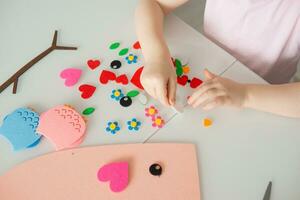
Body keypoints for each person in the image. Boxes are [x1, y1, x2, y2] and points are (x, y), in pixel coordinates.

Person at [135, 0, 300, 118]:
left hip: (267, 99)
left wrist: (245, 95)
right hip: (208, 73)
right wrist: (157, 58)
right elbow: (154, 3)